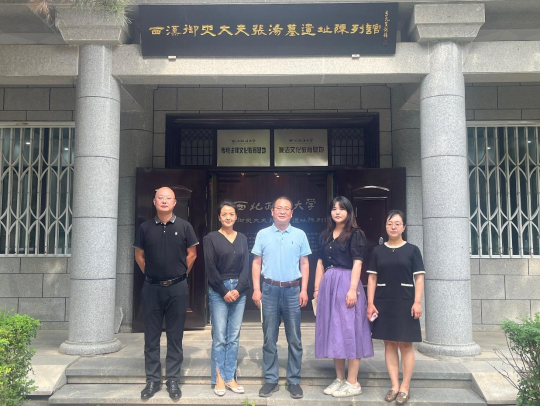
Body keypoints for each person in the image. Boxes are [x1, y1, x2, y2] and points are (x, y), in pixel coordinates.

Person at [134, 186, 198, 400]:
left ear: (174, 202)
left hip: (177, 288)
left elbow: (192, 254)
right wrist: (152, 274)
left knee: (175, 335)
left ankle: (172, 380)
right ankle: (152, 380)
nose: (164, 201)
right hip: (151, 288)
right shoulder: (144, 228)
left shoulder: (185, 226)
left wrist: (180, 275)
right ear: (154, 201)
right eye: (160, 198)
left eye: (168, 198)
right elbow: (139, 256)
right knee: (151, 336)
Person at [313, 196, 374, 398]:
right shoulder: (325, 235)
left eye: (342, 208)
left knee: (350, 330)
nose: (337, 212)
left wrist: (352, 288)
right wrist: (317, 289)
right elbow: (320, 263)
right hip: (328, 284)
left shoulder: (356, 234)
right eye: (334, 208)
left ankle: (353, 382)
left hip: (347, 283)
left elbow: (357, 263)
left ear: (349, 212)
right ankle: (339, 379)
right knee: (334, 330)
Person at [251, 196, 311, 399]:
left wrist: (304, 290)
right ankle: (271, 380)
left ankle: (294, 381)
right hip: (269, 290)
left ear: (292, 213)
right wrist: (256, 289)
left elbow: (304, 263)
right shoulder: (262, 234)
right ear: (272, 211)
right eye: (279, 208)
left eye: (286, 208)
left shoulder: (300, 234)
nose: (282, 211)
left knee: (294, 338)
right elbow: (256, 263)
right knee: (269, 337)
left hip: (293, 290)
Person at [366, 210, 425, 405]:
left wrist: (417, 302)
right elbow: (372, 278)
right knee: (389, 343)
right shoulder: (377, 251)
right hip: (384, 302)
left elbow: (419, 278)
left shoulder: (412, 250)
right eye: (390, 223)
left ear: (404, 227)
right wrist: (370, 303)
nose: (393, 227)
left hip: (406, 302)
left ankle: (405, 387)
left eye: (397, 223)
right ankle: (394, 385)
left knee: (406, 344)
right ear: (385, 226)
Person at [203, 201, 250, 397]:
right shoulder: (210, 238)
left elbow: (246, 266)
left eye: (231, 214)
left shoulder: (242, 238)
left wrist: (238, 289)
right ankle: (219, 378)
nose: (228, 217)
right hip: (218, 290)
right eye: (224, 214)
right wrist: (224, 291)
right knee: (220, 337)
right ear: (219, 217)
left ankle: (230, 377)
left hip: (239, 290)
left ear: (236, 217)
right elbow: (210, 267)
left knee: (234, 336)